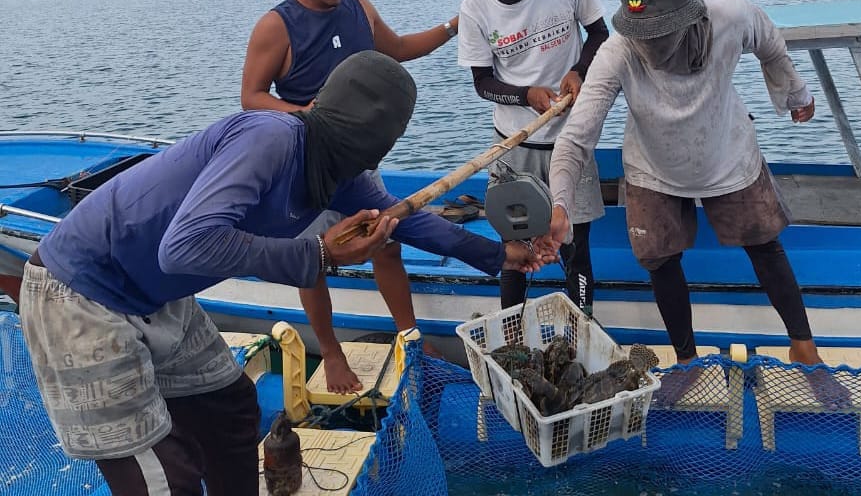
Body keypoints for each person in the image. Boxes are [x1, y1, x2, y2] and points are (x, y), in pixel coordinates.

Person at [19, 51, 544, 496]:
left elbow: (403, 219)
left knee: (231, 410)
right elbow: (185, 247)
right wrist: (318, 255)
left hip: (154, 295)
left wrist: (500, 255)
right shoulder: (270, 138)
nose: (354, 165)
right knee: (163, 477)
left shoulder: (336, 170)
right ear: (318, 114)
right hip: (81, 294)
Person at [545, 0, 851, 408]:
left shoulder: (732, 15)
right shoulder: (616, 53)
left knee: (764, 245)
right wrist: (560, 205)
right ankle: (686, 360)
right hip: (653, 166)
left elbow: (771, 45)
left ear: (689, 17)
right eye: (638, 34)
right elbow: (576, 138)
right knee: (659, 259)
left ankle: (804, 347)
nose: (646, 45)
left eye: (657, 34)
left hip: (726, 149)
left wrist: (796, 94)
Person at [240, 0, 461, 352]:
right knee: (312, 263)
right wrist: (308, 116)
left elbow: (398, 51)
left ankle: (409, 336)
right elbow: (252, 97)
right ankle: (333, 352)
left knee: (386, 244)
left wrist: (453, 27)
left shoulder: (360, 8)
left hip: (358, 165)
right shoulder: (277, 26)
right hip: (304, 167)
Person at [457, 0, 609, 313]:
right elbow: (483, 82)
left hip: (571, 139)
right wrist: (526, 95)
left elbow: (599, 33)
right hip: (515, 146)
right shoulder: (476, 8)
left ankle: (585, 326)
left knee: (575, 249)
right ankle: (508, 332)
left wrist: (579, 71)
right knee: (514, 252)